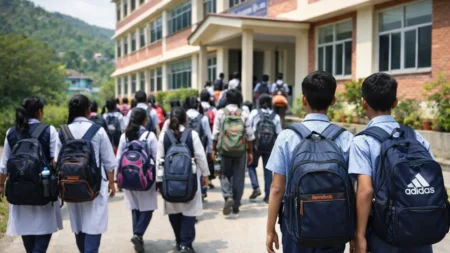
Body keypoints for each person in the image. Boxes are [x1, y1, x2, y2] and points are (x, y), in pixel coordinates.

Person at [265, 71, 354, 253]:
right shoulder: (346, 138)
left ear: (304, 100)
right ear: (333, 101)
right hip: (335, 225)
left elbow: (276, 188)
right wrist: (357, 233)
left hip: (295, 227)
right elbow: (356, 188)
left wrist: (269, 229)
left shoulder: (287, 137)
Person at [349, 73, 434, 253]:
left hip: (385, 234)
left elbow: (365, 190)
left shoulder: (363, 141)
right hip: (422, 229)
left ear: (364, 103)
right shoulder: (415, 136)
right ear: (395, 103)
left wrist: (360, 235)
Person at [55, 94, 117, 253]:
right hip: (95, 187)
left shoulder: (62, 131)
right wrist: (111, 183)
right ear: (88, 110)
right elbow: (109, 162)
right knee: (93, 226)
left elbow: (56, 161)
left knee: (79, 226)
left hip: (70, 186)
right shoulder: (98, 131)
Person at [0, 97, 63, 253]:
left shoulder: (11, 132)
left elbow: (4, 166)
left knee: (28, 237)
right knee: (42, 237)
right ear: (39, 112)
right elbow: (56, 161)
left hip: (19, 192)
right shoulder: (49, 130)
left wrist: (1, 185)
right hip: (44, 191)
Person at [156, 107, 210, 253]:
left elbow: (159, 160)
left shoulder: (164, 136)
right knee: (189, 210)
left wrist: (158, 180)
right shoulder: (192, 135)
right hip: (189, 180)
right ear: (185, 120)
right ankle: (186, 244)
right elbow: (200, 156)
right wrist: (205, 175)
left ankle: (179, 241)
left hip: (169, 181)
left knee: (174, 210)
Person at [116, 108, 158, 253]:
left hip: (128, 178)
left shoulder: (125, 136)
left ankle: (137, 236)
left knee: (135, 208)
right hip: (146, 178)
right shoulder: (149, 135)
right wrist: (158, 179)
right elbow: (156, 158)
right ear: (145, 120)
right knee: (148, 207)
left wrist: (117, 179)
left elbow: (118, 159)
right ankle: (138, 234)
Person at [212, 89, 255, 219]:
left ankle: (228, 196)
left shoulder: (220, 113)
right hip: (240, 150)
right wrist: (250, 151)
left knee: (224, 174)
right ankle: (236, 205)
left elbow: (215, 134)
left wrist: (214, 150)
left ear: (227, 99)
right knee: (239, 177)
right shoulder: (244, 114)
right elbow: (249, 135)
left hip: (224, 150)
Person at [247, 94, 282, 203]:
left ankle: (256, 187)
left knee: (251, 165)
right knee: (268, 170)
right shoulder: (276, 116)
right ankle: (268, 195)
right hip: (269, 147)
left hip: (255, 145)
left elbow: (249, 129)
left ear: (259, 102)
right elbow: (278, 133)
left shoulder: (254, 113)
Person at [184, 97, 213, 200]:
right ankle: (201, 191)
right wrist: (210, 151)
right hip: (200, 149)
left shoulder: (183, 116)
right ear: (197, 105)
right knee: (200, 171)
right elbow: (209, 136)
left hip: (185, 150)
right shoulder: (203, 118)